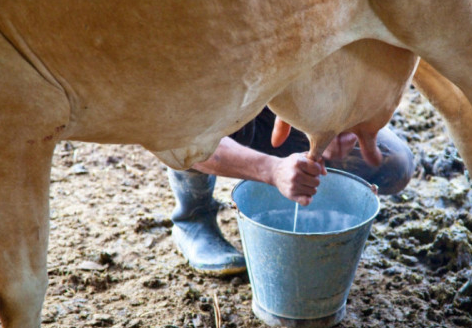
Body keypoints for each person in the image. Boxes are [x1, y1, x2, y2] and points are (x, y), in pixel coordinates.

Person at [168, 107, 415, 275]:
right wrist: (271, 170)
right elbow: (176, 137)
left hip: (281, 105)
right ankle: (192, 218)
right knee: (186, 129)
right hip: (214, 110)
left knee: (393, 162)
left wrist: (344, 113)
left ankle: (315, 215)